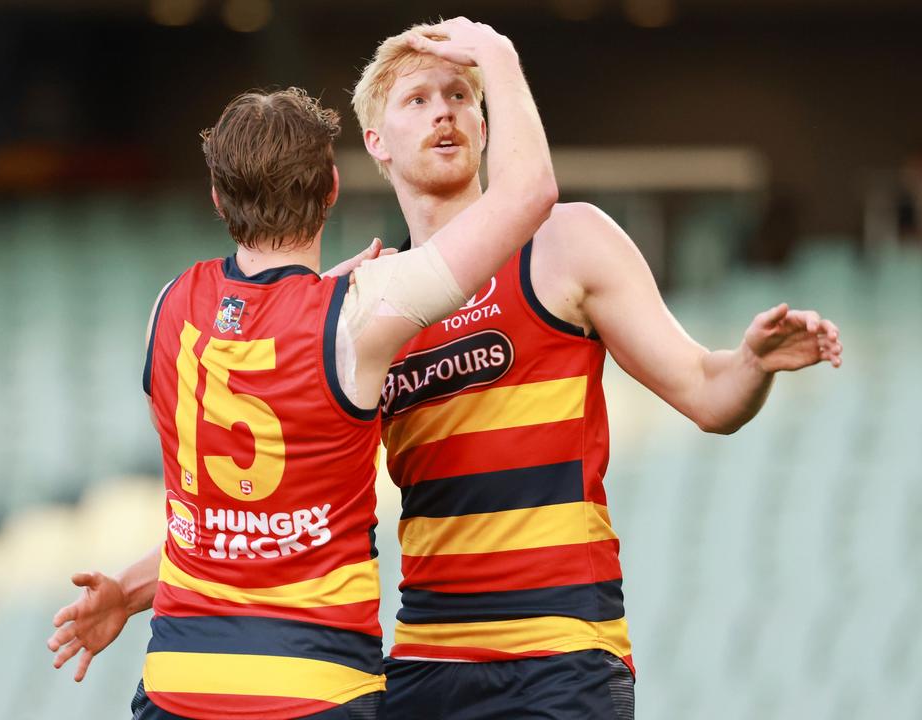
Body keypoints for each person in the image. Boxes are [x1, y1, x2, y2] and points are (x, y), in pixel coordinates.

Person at [52, 19, 844, 720]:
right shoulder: (362, 310)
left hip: (559, 653)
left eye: (463, 95)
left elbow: (708, 395)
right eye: (419, 99)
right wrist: (132, 586)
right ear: (374, 144)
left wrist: (749, 364)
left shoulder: (567, 241)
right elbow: (285, 515)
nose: (446, 111)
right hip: (426, 658)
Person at [47, 18, 559, 720]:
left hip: (178, 685)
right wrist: (497, 56)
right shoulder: (360, 313)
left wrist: (132, 591)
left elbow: (221, 513)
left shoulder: (168, 310)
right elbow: (528, 193)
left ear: (219, 201)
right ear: (333, 189)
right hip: (311, 690)